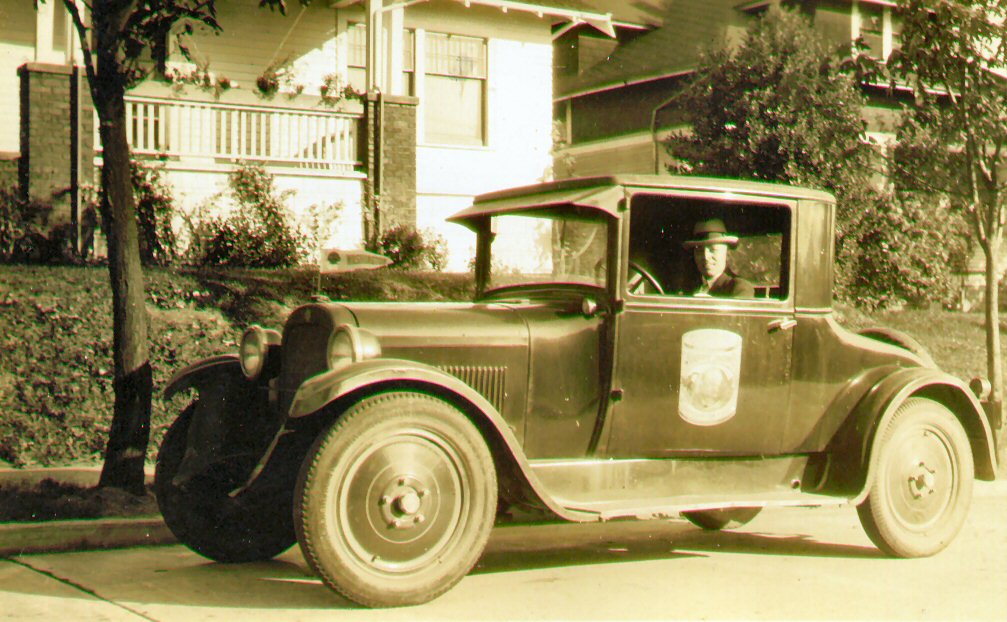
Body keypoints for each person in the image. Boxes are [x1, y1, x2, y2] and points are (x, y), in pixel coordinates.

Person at [682, 218, 755, 298]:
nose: (706, 257)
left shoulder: (739, 287)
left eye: (713, 250)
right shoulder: (689, 287)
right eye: (699, 251)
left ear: (726, 252)